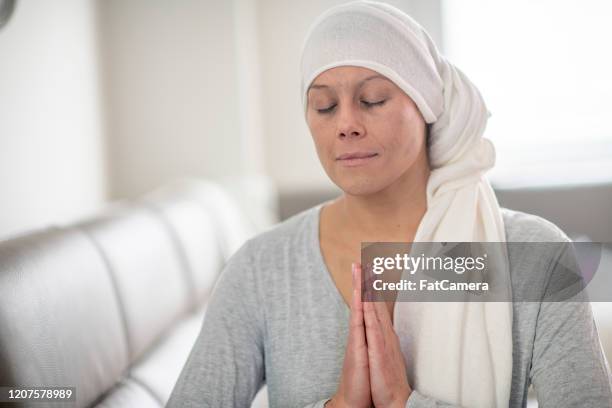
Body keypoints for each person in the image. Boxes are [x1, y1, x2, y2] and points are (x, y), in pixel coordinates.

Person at [166, 1, 612, 407]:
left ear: (427, 105)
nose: (345, 124)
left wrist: (405, 402)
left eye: (372, 100)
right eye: (323, 107)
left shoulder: (535, 258)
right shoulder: (261, 270)